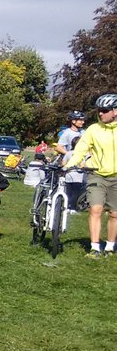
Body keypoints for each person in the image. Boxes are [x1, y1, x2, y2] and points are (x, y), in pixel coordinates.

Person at [63, 94, 117, 258]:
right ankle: (94, 248)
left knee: (115, 213)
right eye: (99, 111)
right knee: (95, 209)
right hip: (97, 175)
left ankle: (109, 246)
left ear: (115, 111)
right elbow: (81, 149)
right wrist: (70, 164)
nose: (100, 114)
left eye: (105, 110)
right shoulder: (94, 129)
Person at [56, 110, 88, 211]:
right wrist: (70, 155)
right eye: (80, 120)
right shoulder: (67, 133)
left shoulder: (84, 132)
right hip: (70, 160)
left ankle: (78, 202)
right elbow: (59, 147)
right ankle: (68, 204)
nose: (83, 122)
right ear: (73, 121)